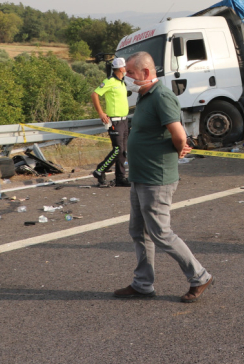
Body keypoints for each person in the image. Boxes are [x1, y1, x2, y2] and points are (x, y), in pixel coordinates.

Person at [113, 51, 213, 303]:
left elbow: (179, 135)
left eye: (131, 74)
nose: (128, 79)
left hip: (157, 178)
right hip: (140, 176)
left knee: (160, 233)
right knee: (138, 231)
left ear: (146, 73)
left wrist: (181, 148)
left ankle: (200, 276)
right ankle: (143, 284)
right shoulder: (145, 97)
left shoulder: (162, 97)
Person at [91, 57, 131, 187]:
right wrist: (101, 113)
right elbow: (95, 94)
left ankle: (120, 178)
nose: (126, 69)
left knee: (123, 151)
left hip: (124, 121)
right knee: (118, 150)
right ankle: (100, 170)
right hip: (115, 121)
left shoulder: (121, 82)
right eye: (125, 67)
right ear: (120, 68)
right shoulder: (110, 81)